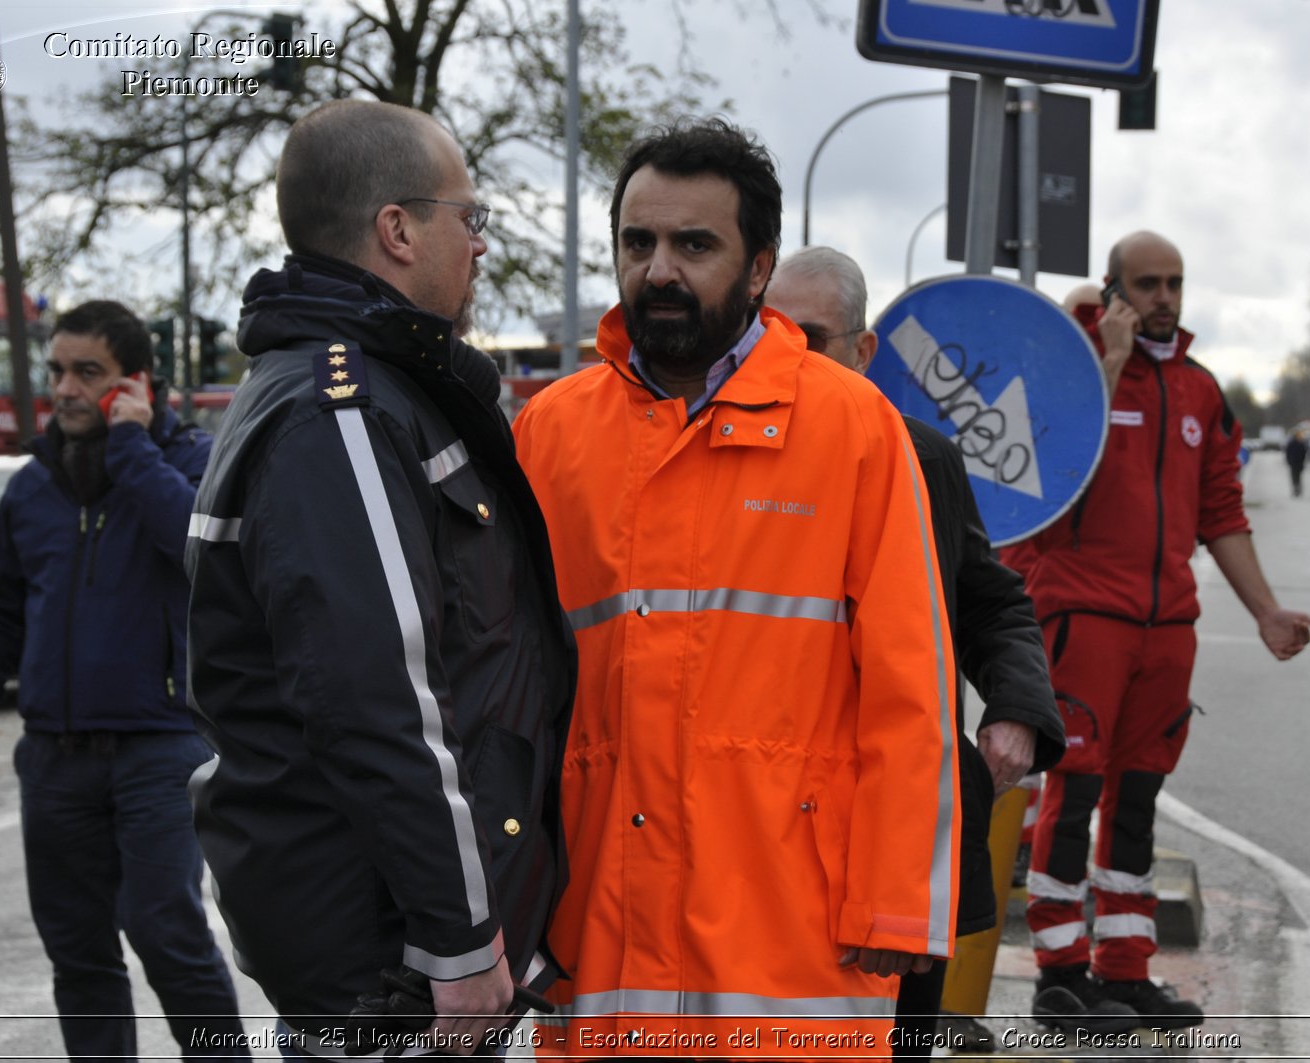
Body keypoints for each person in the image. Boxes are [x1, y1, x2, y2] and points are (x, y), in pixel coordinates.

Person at [512, 119, 959, 1057]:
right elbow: (499, 685)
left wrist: (895, 904)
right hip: (599, 934)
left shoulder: (854, 430)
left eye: (694, 244)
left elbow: (910, 689)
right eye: (639, 243)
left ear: (758, 269)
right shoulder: (549, 435)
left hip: (797, 937)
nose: (660, 269)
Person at [184, 99, 576, 1057]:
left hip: (381, 945)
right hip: (393, 967)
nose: (480, 245)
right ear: (397, 230)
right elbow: (379, 695)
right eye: (468, 217)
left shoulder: (354, 390)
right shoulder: (342, 410)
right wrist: (454, 936)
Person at [1002, 231, 1310, 1034]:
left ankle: (1124, 968)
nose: (1164, 298)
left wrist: (1266, 612)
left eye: (1174, 283)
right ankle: (1059, 976)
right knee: (1071, 795)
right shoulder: (1068, 373)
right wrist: (1104, 364)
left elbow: (1221, 513)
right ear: (1113, 290)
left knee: (1138, 799)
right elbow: (1040, 482)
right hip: (1082, 615)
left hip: (1167, 626)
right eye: (1147, 284)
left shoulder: (1199, 391)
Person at [766, 246, 1066, 1059]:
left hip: (902, 828)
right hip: (772, 825)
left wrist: (1015, 712)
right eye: (769, 335)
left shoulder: (922, 457)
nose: (786, 359)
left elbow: (990, 598)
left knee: (901, 1039)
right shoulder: (735, 452)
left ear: (863, 353)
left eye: (810, 339)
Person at [0, 300, 247, 1061]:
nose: (64, 388)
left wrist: (133, 446)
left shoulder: (188, 462)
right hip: (54, 756)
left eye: (88, 373)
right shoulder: (32, 486)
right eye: (56, 371)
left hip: (162, 747)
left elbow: (196, 549)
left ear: (135, 382)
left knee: (165, 929)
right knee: (77, 949)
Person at [1284, 432, 1309, 498]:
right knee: (1295, 477)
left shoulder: (1300, 444)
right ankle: (1296, 490)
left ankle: (1297, 490)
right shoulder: (1293, 444)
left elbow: (1304, 454)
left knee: (1297, 477)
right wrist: (1289, 461)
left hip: (1298, 463)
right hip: (1294, 463)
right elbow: (1288, 453)